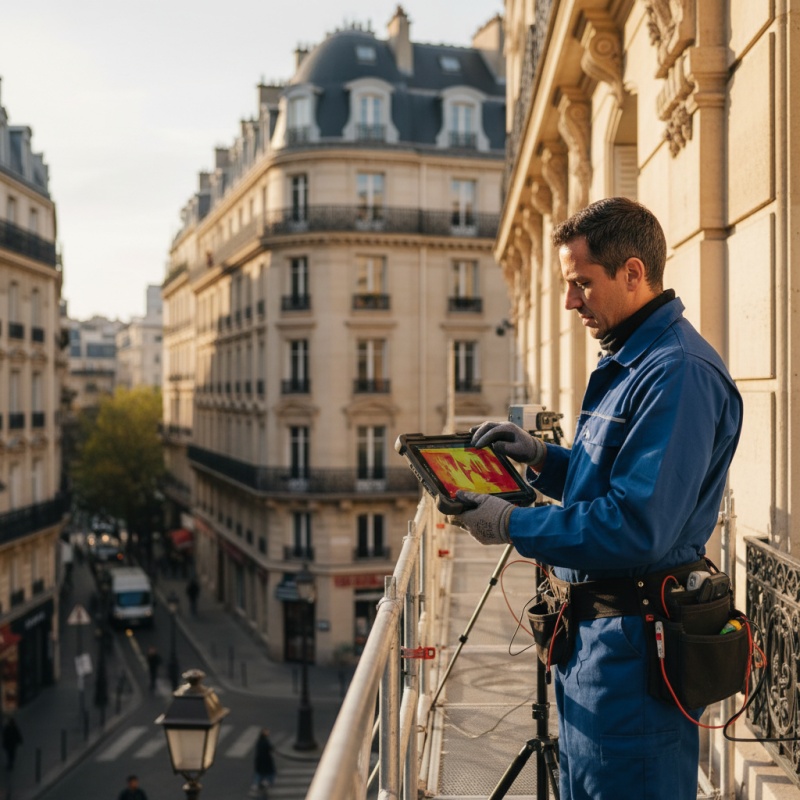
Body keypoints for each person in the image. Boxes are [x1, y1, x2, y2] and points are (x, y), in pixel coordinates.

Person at [450, 197, 743, 800]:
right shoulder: (633, 361)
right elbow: (609, 481)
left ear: (633, 273)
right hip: (599, 648)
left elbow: (634, 526)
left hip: (633, 658)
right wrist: (541, 457)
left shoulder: (677, 372)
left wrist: (510, 523)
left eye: (582, 283)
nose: (570, 302)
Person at [249, 728, 276, 796]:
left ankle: (256, 785)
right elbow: (270, 748)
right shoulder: (266, 743)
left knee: (259, 774)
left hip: (259, 761)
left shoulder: (259, 742)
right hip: (266, 761)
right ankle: (267, 783)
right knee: (271, 773)